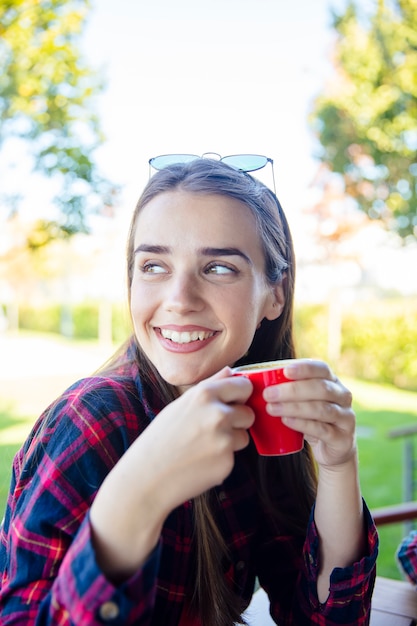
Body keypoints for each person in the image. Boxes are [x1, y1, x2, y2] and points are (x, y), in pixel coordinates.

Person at [0, 157, 378, 625]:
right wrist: (135, 495)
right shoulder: (93, 420)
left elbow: (322, 618)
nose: (179, 298)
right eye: (154, 265)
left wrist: (340, 465)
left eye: (219, 268)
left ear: (274, 294)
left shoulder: (259, 413)